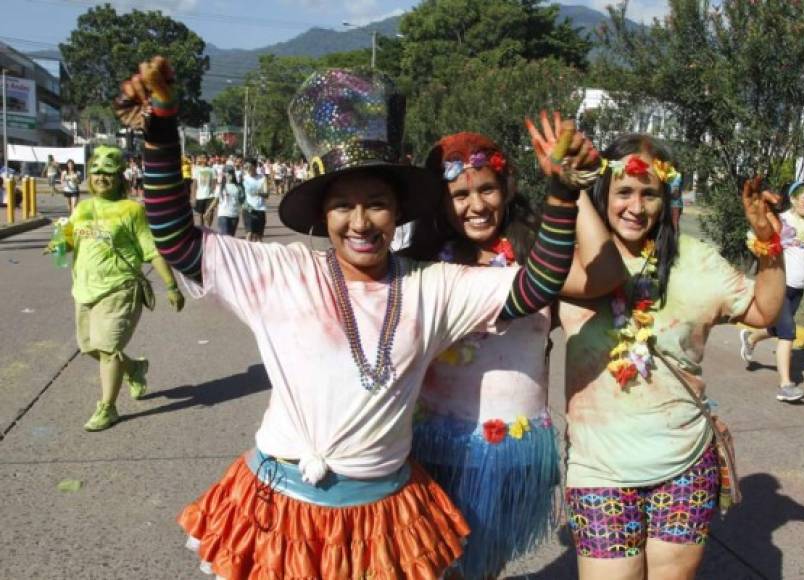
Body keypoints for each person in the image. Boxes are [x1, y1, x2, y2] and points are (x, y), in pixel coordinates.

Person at [114, 57, 592, 579]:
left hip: (384, 514)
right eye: (343, 206)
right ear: (323, 216)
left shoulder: (431, 285)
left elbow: (536, 284)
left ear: (399, 214)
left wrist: (563, 194)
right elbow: (177, 239)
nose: (360, 223)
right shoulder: (282, 271)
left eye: (377, 205)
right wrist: (162, 125)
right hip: (282, 510)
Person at [556, 134, 785, 580]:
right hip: (598, 469)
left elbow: (763, 311)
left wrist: (767, 241)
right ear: (604, 191)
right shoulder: (569, 260)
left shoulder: (697, 261)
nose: (636, 207)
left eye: (649, 194)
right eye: (624, 191)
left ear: (667, 198)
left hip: (684, 464)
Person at [404, 128, 623, 579]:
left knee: (483, 569)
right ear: (440, 202)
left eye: (487, 188)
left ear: (506, 189)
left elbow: (605, 277)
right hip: (434, 444)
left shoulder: (541, 255)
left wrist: (572, 188)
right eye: (460, 193)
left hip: (511, 450)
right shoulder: (423, 262)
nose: (477, 205)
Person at [44, 145, 184, 431]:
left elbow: (152, 250)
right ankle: (133, 367)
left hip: (120, 287)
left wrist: (171, 286)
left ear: (120, 177)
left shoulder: (131, 210)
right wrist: (59, 243)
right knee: (88, 347)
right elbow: (70, 240)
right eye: (96, 172)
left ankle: (108, 408)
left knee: (108, 349)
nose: (101, 178)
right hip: (83, 288)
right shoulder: (82, 208)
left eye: (108, 173)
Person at [739, 178, 804, 402]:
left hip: (798, 287)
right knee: (788, 332)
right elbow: (757, 240)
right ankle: (786, 385)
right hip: (778, 285)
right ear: (794, 199)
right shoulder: (781, 220)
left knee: (777, 329)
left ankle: (750, 338)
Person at [241, 160, 267, 242]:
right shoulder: (244, 177)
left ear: (255, 167)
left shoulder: (262, 178)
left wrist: (258, 192)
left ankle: (259, 253)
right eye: (247, 167)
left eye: (250, 167)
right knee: (249, 233)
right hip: (248, 208)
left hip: (260, 208)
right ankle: (247, 252)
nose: (248, 169)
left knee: (259, 236)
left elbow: (267, 194)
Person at [216, 162, 243, 237]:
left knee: (231, 237)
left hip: (234, 215)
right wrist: (209, 210)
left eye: (231, 172)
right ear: (224, 174)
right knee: (225, 237)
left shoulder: (238, 187)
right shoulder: (220, 186)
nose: (230, 174)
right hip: (223, 214)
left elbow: (241, 200)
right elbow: (216, 200)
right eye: (228, 172)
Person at [191, 154, 216, 227]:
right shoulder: (196, 169)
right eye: (202, 157)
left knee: (210, 212)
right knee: (200, 215)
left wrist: (213, 193)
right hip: (200, 196)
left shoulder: (212, 170)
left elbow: (214, 182)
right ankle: (203, 230)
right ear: (200, 159)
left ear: (207, 159)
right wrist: (193, 197)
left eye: (205, 157)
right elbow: (194, 184)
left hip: (210, 195)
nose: (203, 159)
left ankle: (209, 227)